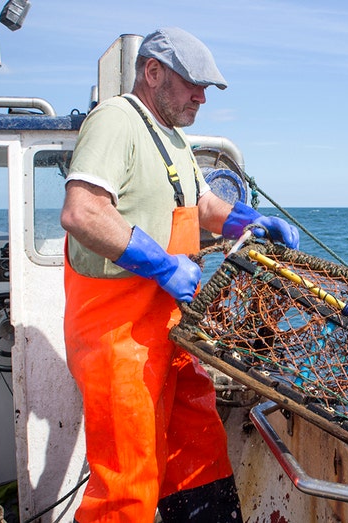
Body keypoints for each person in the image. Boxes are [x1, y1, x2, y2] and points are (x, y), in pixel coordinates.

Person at [59, 27, 299, 522]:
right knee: (128, 484)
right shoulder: (116, 121)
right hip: (119, 341)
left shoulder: (173, 139)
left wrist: (250, 222)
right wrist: (163, 264)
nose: (202, 98)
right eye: (194, 85)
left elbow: (204, 203)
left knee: (198, 457)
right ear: (153, 73)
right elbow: (82, 212)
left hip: (173, 334)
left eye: (206, 89)